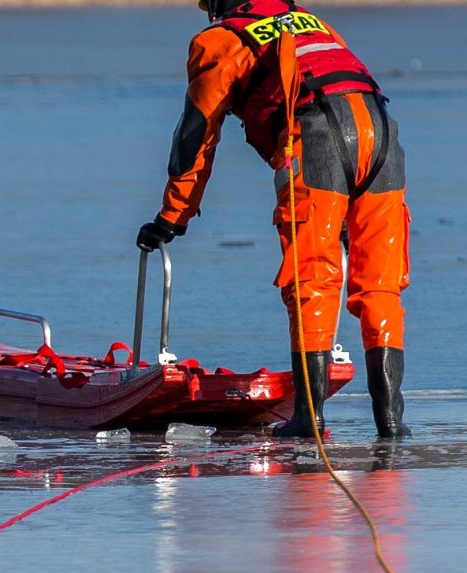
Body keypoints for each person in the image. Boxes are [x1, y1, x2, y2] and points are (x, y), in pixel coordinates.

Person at [136, 0, 411, 438]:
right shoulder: (309, 19)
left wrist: (172, 216)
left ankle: (308, 419)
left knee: (311, 278)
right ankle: (391, 423)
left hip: (317, 135)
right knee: (380, 283)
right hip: (381, 134)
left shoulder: (219, 41)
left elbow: (196, 133)